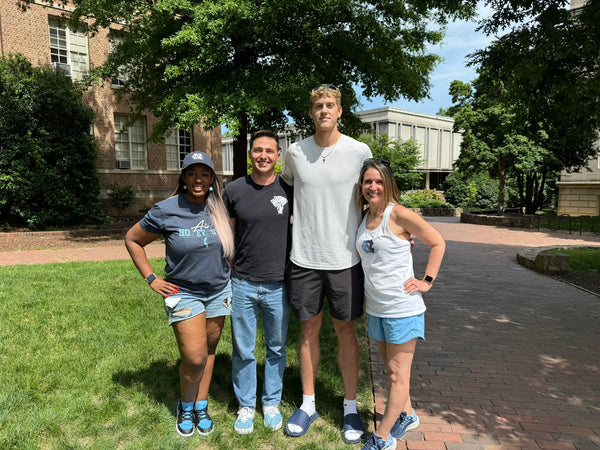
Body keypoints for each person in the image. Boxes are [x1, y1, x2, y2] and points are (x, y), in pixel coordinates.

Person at [281, 84, 372, 444]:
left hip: (345, 259)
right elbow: (285, 191)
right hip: (303, 258)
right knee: (307, 331)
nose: (323, 110)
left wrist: (394, 229)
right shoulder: (295, 152)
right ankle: (308, 403)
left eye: (329, 105)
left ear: (340, 110)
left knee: (346, 332)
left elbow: (375, 192)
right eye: (318, 105)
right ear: (310, 112)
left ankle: (350, 407)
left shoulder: (358, 151)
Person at [124, 151, 235, 438]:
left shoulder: (219, 208)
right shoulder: (166, 209)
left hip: (219, 291)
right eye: (192, 173)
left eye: (205, 174)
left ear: (212, 179)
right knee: (195, 357)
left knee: (210, 351)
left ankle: (201, 405)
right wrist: (151, 278)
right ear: (183, 177)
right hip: (183, 292)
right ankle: (185, 406)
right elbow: (133, 239)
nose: (198, 179)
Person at [355, 159, 445, 450]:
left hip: (402, 309)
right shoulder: (363, 216)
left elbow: (438, 242)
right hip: (376, 308)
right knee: (393, 370)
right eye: (368, 181)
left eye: (379, 181)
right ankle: (407, 414)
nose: (373, 187)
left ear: (388, 184)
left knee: (396, 375)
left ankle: (383, 436)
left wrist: (427, 281)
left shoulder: (399, 214)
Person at [223, 130, 293, 434]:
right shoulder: (234, 190)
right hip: (243, 283)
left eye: (270, 151)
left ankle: (271, 402)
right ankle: (247, 405)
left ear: (278, 156)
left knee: (276, 348)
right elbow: (227, 234)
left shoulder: (290, 190)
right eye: (257, 150)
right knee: (243, 349)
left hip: (279, 283)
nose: (263, 155)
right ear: (250, 154)